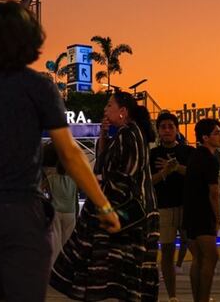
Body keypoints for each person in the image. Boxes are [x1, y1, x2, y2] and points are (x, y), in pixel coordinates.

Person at [0, 1, 120, 302]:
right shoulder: (37, 87)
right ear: (28, 38)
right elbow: (70, 154)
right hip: (19, 206)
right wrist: (104, 206)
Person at [53, 91, 159, 302]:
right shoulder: (126, 134)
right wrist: (103, 137)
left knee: (114, 275)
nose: (104, 109)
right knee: (119, 278)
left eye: (109, 105)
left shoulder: (129, 134)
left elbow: (123, 177)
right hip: (127, 216)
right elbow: (104, 165)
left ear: (123, 112)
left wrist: (105, 206)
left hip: (125, 218)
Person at [150, 111, 192, 301]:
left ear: (176, 130)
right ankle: (172, 296)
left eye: (170, 127)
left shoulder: (188, 152)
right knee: (167, 252)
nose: (166, 130)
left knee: (195, 249)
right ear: (158, 131)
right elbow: (148, 182)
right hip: (163, 208)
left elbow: (197, 176)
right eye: (163, 127)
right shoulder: (152, 155)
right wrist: (165, 172)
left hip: (187, 206)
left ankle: (200, 293)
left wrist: (177, 168)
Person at [181, 118, 220, 302]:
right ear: (205, 137)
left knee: (198, 258)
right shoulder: (210, 160)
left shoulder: (195, 156)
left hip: (190, 212)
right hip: (203, 213)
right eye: (216, 133)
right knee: (211, 257)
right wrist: (217, 216)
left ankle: (198, 298)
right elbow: (213, 192)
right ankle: (203, 298)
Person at [42, 143, 78, 263]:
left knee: (55, 244)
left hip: (55, 211)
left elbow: (44, 192)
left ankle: (54, 271)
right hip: (70, 211)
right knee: (69, 244)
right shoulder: (73, 178)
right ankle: (68, 268)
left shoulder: (49, 177)